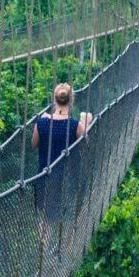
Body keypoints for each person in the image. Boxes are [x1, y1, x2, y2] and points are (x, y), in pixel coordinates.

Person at [31, 83, 92, 227]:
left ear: (54, 99)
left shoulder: (41, 123)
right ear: (71, 101)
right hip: (66, 180)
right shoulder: (75, 125)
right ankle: (53, 246)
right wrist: (85, 123)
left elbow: (34, 145)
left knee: (47, 219)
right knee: (59, 220)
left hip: (43, 179)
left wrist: (44, 120)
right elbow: (85, 144)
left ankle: (44, 246)